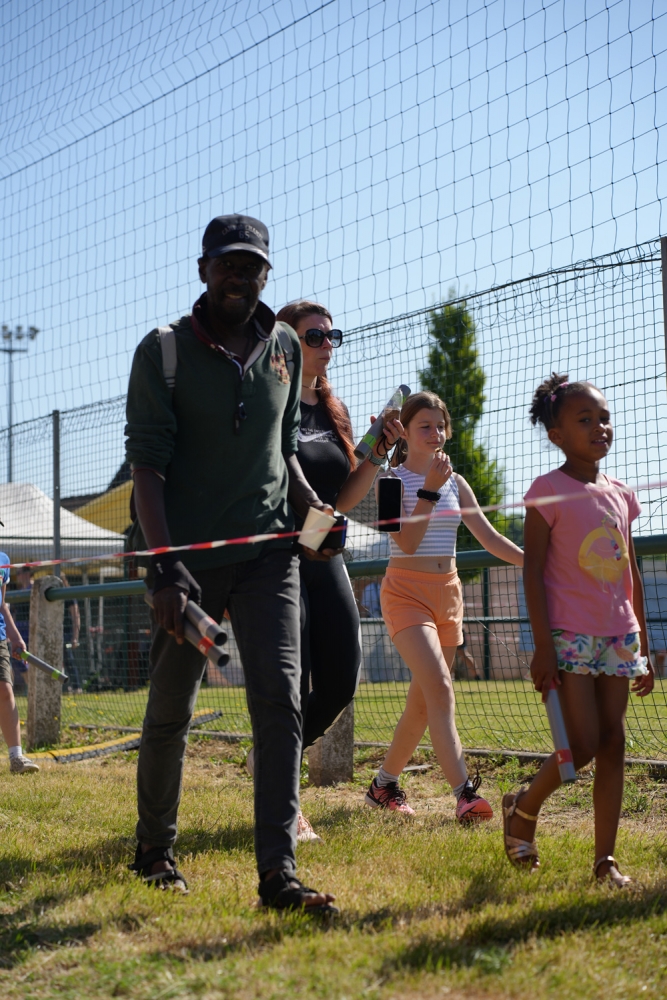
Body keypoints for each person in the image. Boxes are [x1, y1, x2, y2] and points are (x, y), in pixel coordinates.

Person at [124, 214, 336, 913]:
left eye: (252, 267)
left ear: (266, 275)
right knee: (172, 707)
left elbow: (284, 451)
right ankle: (154, 851)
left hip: (270, 555)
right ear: (203, 270)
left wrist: (315, 517)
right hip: (186, 563)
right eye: (227, 265)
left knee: (280, 699)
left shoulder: (285, 346)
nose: (240, 277)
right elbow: (147, 466)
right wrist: (164, 567)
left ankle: (279, 874)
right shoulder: (164, 351)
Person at [502, 374, 654, 885]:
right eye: (585, 420)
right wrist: (543, 646)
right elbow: (532, 572)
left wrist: (643, 643)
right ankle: (524, 808)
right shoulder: (546, 491)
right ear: (557, 435)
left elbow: (631, 572)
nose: (599, 427)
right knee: (581, 746)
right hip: (568, 637)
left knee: (613, 743)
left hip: (619, 638)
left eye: (604, 418)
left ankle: (604, 861)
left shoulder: (622, 495)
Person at [262, 300, 401, 842]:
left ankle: (275, 754)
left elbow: (342, 497)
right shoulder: (269, 402)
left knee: (342, 677)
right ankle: (287, 802)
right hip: (278, 556)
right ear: (285, 343)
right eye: (314, 336)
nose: (327, 345)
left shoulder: (333, 409)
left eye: (331, 335)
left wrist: (378, 454)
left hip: (325, 549)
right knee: (291, 680)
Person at [364, 391, 523, 820]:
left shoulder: (458, 481)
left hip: (448, 595)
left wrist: (534, 562)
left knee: (423, 703)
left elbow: (489, 538)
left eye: (440, 426)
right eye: (425, 426)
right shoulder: (389, 481)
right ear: (405, 433)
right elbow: (407, 542)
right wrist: (429, 491)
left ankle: (383, 785)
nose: (435, 434)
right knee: (439, 687)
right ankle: (464, 794)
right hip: (405, 594)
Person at [0, 553, 39, 773]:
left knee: (5, 690)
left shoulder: (3, 560)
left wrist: (15, 637)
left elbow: (2, 604)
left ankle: (16, 758)